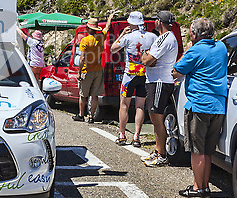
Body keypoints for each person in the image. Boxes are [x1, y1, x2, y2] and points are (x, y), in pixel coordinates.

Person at [172, 18, 227, 198]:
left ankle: (198, 187)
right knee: (208, 151)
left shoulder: (195, 51)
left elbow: (176, 71)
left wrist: (187, 49)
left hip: (199, 104)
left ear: (194, 34)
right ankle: (204, 186)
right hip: (218, 106)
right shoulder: (221, 48)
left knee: (197, 150)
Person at [110, 12, 157, 147]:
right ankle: (137, 136)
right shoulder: (152, 37)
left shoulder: (128, 36)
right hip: (145, 75)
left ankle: (122, 134)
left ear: (131, 23)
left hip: (130, 75)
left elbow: (113, 49)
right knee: (140, 106)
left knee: (124, 105)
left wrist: (122, 34)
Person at [140, 11, 178, 167]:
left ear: (159, 22)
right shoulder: (165, 38)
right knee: (155, 117)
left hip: (159, 82)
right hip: (156, 81)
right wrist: (148, 56)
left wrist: (145, 54)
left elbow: (148, 60)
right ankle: (158, 150)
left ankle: (161, 153)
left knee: (156, 118)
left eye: (156, 20)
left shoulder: (165, 38)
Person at [73, 15, 112, 123]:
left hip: (87, 70)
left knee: (83, 95)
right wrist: (110, 18)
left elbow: (82, 58)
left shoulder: (85, 41)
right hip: (98, 70)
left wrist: (79, 72)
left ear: (88, 29)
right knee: (94, 95)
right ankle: (91, 117)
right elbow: (107, 27)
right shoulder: (101, 37)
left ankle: (81, 115)